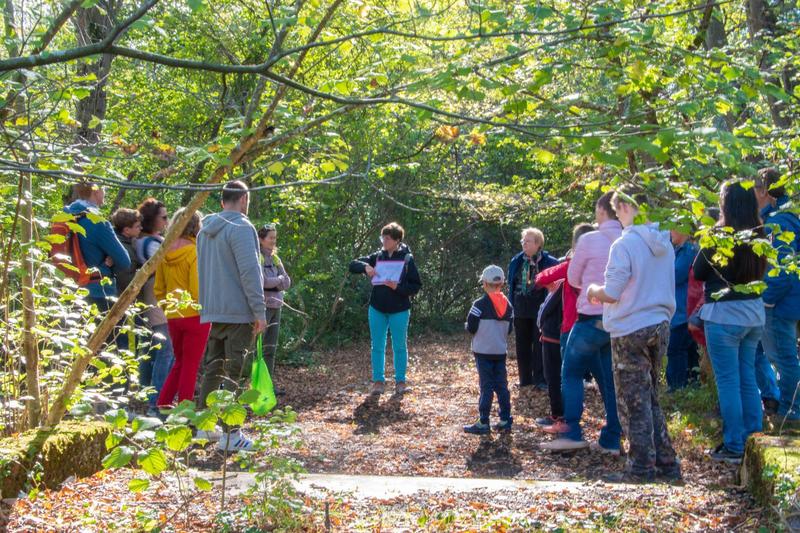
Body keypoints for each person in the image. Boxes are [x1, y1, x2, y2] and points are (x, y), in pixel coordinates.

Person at [586, 191, 681, 483]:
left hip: (630, 328)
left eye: (618, 210)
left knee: (632, 401)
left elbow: (613, 291)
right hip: (660, 324)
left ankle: (640, 468)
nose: (617, 216)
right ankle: (666, 462)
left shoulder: (625, 244)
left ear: (628, 207)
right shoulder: (664, 243)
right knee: (650, 397)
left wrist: (593, 291)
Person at [540, 192, 622, 453]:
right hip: (617, 320)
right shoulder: (627, 238)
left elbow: (574, 278)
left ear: (602, 211)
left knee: (571, 373)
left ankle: (573, 432)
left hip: (589, 318)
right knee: (609, 380)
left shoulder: (590, 239)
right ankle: (611, 438)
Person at [693, 180, 767, 463]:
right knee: (747, 377)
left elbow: (699, 271)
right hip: (754, 313)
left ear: (726, 204)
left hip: (724, 315)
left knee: (728, 381)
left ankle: (735, 444)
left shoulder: (718, 235)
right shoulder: (760, 233)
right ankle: (754, 438)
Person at [197, 180, 267, 451]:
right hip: (238, 311)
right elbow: (250, 272)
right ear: (244, 199)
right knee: (233, 371)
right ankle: (230, 434)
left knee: (213, 368)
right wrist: (259, 310)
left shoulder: (205, 230)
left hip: (213, 309)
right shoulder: (241, 227)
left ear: (222, 200)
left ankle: (204, 426)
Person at [533, 222, 595, 428]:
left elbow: (541, 278)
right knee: (598, 378)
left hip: (567, 328)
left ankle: (564, 420)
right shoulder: (603, 263)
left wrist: (559, 275)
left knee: (563, 376)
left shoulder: (572, 265)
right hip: (597, 326)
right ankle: (613, 425)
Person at [349, 222, 422, 396]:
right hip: (377, 308)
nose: (384, 241)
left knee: (399, 346)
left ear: (397, 240)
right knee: (377, 346)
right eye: (383, 237)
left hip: (399, 309)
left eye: (388, 238)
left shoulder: (407, 259)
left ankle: (400, 382)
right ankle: (378, 382)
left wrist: (397, 287)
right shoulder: (377, 256)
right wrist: (365, 267)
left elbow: (416, 286)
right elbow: (352, 265)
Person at [755, 167, 800, 422]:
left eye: (754, 191)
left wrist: (767, 299)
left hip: (781, 304)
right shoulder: (783, 217)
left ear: (764, 191)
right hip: (785, 301)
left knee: (783, 356)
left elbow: (782, 268)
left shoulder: (779, 222)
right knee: (779, 355)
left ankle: (792, 412)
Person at [155, 209, 211, 408]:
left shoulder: (164, 251)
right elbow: (197, 289)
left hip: (173, 315)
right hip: (195, 315)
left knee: (180, 363)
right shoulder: (195, 251)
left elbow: (159, 288)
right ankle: (185, 410)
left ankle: (163, 404)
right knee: (190, 366)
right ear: (196, 226)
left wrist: (169, 308)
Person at [507, 228, 559, 392]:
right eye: (523, 241)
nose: (524, 244)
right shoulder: (516, 261)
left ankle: (540, 379)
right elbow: (511, 284)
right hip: (520, 308)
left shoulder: (550, 262)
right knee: (522, 345)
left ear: (538, 244)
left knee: (539, 344)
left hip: (541, 309)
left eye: (528, 241)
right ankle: (525, 379)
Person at [463, 265, 514, 435]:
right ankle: (505, 419)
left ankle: (483, 421)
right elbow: (509, 329)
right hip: (500, 351)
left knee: (486, 386)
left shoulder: (479, 304)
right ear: (502, 283)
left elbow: (471, 326)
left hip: (483, 352)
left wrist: (468, 327)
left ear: (485, 283)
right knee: (502, 386)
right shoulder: (509, 306)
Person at [64, 183, 131, 309]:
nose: (105, 192)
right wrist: (110, 261)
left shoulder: (64, 217)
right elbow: (124, 261)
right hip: (98, 292)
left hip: (69, 289)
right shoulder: (98, 223)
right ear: (96, 191)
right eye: (104, 189)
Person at [136, 198, 175, 416]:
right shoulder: (150, 244)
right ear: (152, 219)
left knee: (154, 352)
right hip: (157, 302)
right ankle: (157, 402)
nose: (167, 221)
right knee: (165, 352)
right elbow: (165, 269)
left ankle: (152, 399)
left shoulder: (150, 241)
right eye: (164, 217)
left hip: (157, 300)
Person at [258, 224, 291, 386]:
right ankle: (253, 386)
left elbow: (287, 282)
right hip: (263, 307)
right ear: (261, 239)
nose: (273, 241)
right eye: (270, 237)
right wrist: (278, 280)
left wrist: (277, 282)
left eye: (275, 238)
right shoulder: (258, 257)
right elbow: (264, 281)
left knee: (271, 348)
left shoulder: (276, 258)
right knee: (256, 349)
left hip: (277, 306)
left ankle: (268, 386)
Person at [666, 229, 699, 390]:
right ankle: (690, 384)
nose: (670, 232)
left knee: (676, 349)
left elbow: (675, 275)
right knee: (685, 349)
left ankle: (678, 387)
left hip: (684, 311)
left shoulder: (689, 250)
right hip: (678, 310)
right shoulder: (677, 250)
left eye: (673, 228)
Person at [109, 208, 142, 295]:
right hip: (120, 296)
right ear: (127, 230)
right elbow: (126, 280)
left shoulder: (119, 241)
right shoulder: (124, 248)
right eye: (137, 226)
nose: (141, 228)